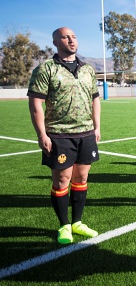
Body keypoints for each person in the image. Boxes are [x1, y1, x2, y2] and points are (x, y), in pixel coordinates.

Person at [27, 27, 100, 244]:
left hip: (86, 133)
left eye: (74, 36)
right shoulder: (45, 69)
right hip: (59, 135)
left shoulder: (87, 69)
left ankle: (77, 222)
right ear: (56, 42)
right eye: (66, 37)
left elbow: (95, 98)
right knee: (62, 181)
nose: (71, 40)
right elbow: (36, 103)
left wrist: (97, 127)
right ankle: (64, 225)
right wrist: (42, 134)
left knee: (81, 178)